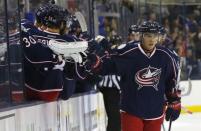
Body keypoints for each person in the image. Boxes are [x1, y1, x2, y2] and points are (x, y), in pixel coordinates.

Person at [87, 21, 181, 131]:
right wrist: (97, 62)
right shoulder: (128, 53)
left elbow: (172, 81)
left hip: (155, 112)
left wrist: (175, 102)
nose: (152, 39)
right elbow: (107, 65)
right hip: (131, 111)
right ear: (141, 36)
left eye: (154, 36)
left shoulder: (166, 56)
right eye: (148, 36)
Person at [97, 35, 122, 131]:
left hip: (113, 89)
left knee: (114, 117)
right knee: (114, 117)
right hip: (111, 89)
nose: (116, 46)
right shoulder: (107, 53)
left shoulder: (113, 53)